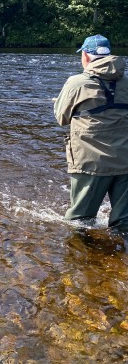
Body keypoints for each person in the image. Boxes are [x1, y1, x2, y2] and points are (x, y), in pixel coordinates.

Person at [54, 34, 128, 234]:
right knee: (124, 224)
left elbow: (61, 117)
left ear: (86, 56)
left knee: (79, 222)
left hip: (90, 162)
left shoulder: (76, 82)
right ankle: (118, 261)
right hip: (125, 160)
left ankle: (81, 261)